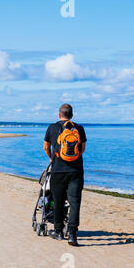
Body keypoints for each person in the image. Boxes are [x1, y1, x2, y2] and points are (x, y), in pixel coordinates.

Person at [44, 104, 87, 246]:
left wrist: (52, 158)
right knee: (74, 202)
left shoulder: (52, 127)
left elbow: (45, 146)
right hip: (76, 171)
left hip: (58, 171)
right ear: (72, 115)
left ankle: (58, 231)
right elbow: (82, 149)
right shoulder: (79, 128)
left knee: (58, 201)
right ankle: (72, 235)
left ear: (59, 115)